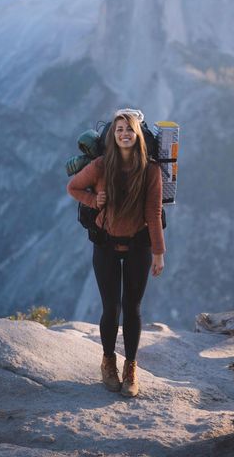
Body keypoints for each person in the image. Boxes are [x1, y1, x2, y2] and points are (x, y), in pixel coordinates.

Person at [67, 110, 165, 397]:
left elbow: (154, 212)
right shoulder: (99, 166)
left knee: (132, 308)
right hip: (106, 245)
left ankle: (130, 368)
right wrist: (93, 200)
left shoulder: (151, 171)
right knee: (111, 307)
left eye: (129, 130)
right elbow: (73, 187)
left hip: (139, 246)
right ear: (113, 135)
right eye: (119, 129)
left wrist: (158, 252)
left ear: (138, 136)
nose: (124, 133)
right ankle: (108, 361)